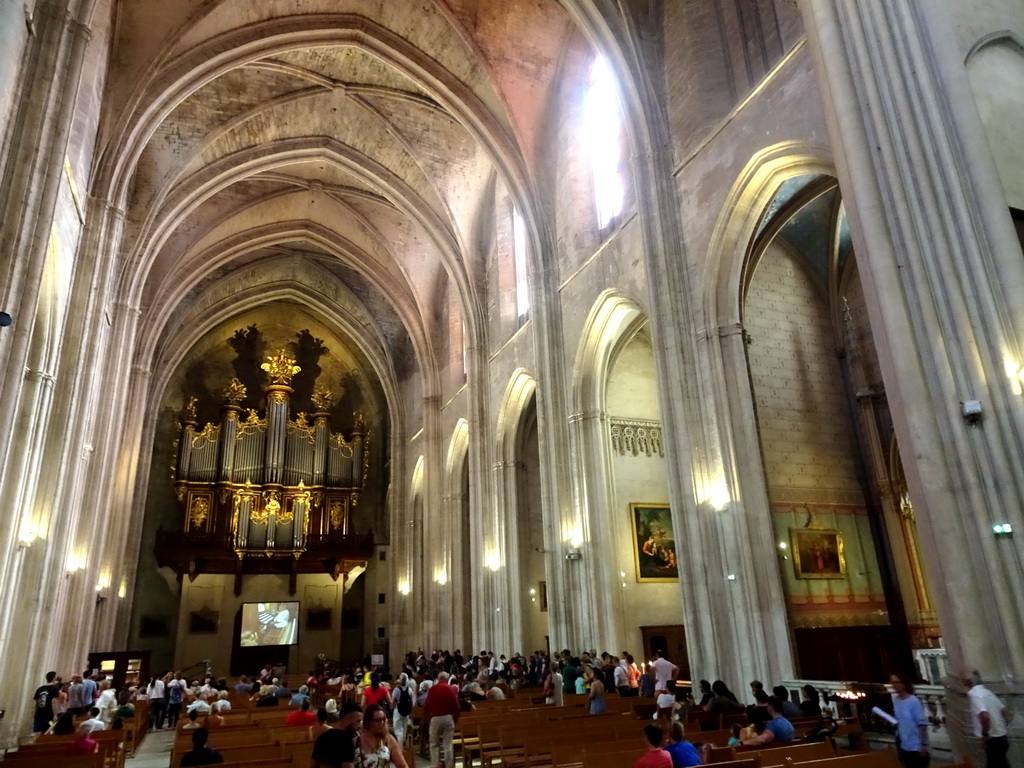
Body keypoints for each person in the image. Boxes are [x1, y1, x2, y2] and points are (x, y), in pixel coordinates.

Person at [963, 668, 1012, 768]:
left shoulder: (975, 695)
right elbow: (1006, 713)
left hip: (992, 740)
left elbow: (984, 716)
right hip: (1002, 737)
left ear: (969, 681)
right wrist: (1001, 727)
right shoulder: (987, 692)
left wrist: (985, 734)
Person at [424, 670, 461, 768]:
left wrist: (429, 716)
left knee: (434, 744)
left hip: (435, 718)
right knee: (448, 745)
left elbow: (427, 705)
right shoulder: (450, 689)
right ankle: (449, 766)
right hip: (448, 718)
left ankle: (435, 765)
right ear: (446, 679)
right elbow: (456, 706)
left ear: (439, 678)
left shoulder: (433, 689)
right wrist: (455, 719)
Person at [311, 702, 362, 768]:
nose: (360, 725)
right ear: (347, 719)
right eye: (358, 721)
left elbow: (312, 765)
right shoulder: (347, 741)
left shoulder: (321, 738)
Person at [392, 671, 416, 744]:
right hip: (406, 712)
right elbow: (412, 701)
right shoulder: (409, 690)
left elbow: (392, 701)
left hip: (398, 711)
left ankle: (400, 745)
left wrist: (392, 708)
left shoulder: (397, 690)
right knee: (404, 727)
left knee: (398, 729)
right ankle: (404, 743)